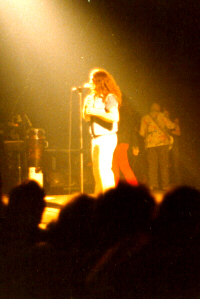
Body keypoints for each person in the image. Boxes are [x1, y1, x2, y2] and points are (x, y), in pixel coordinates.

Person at [83, 69, 122, 194]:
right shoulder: (92, 97)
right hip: (95, 138)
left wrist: (96, 112)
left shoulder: (109, 97)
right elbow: (86, 117)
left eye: (92, 80)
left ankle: (110, 200)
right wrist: (85, 108)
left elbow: (115, 117)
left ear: (100, 81)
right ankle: (100, 199)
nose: (90, 82)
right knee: (97, 172)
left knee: (103, 169)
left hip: (106, 136)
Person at [139, 103, 176, 191]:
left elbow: (141, 133)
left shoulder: (145, 118)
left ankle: (152, 184)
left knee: (152, 165)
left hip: (151, 145)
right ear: (158, 109)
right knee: (164, 165)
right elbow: (171, 126)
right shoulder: (162, 116)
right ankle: (165, 185)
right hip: (163, 143)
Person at [112, 100, 139, 186]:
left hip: (118, 142)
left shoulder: (117, 114)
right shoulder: (128, 117)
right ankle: (133, 185)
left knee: (118, 166)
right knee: (118, 165)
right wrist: (135, 146)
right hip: (124, 142)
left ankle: (133, 185)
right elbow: (132, 132)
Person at [163, 108, 181, 186]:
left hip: (174, 146)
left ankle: (177, 183)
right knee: (165, 164)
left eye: (167, 113)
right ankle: (166, 183)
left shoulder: (172, 123)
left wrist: (170, 131)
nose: (165, 115)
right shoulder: (161, 122)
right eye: (164, 113)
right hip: (164, 145)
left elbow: (179, 133)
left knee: (175, 164)